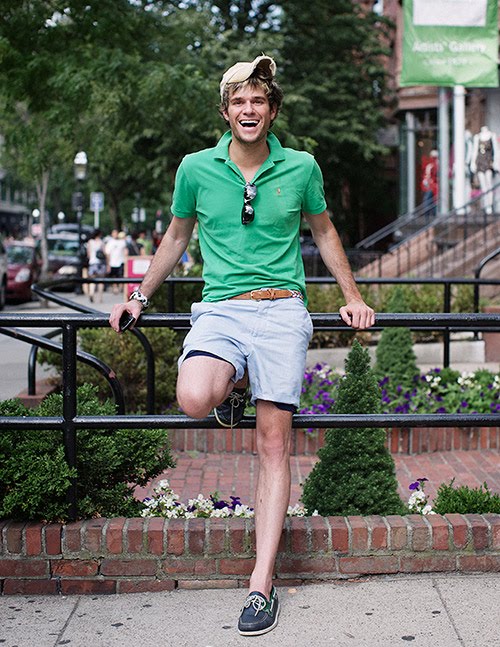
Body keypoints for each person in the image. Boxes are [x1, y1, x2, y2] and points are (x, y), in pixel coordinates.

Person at [109, 55, 375, 637]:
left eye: (258, 100)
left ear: (272, 110)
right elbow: (177, 234)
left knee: (273, 444)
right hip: (221, 310)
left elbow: (324, 229)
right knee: (193, 398)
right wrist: (138, 296)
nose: (248, 109)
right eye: (238, 101)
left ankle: (261, 583)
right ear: (226, 112)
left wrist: (351, 296)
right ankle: (236, 382)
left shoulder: (301, 166)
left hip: (282, 310)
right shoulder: (196, 169)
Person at [471, 126, 500, 214]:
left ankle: (489, 205)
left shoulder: (492, 136)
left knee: (489, 184)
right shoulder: (477, 137)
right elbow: (475, 150)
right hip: (480, 161)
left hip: (488, 161)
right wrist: (473, 162)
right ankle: (486, 205)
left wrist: (496, 162)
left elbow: (496, 150)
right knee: (483, 186)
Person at [86, 228, 107, 303]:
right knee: (101, 280)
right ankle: (100, 297)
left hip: (92, 263)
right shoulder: (101, 242)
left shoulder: (90, 242)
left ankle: (91, 293)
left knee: (92, 280)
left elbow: (88, 254)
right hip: (100, 263)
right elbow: (105, 253)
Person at [105, 229, 128, 294]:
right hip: (112, 262)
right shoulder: (110, 242)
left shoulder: (122, 242)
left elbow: (125, 251)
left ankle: (120, 287)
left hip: (121, 261)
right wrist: (108, 263)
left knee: (120, 275)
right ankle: (115, 288)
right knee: (114, 276)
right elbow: (107, 253)